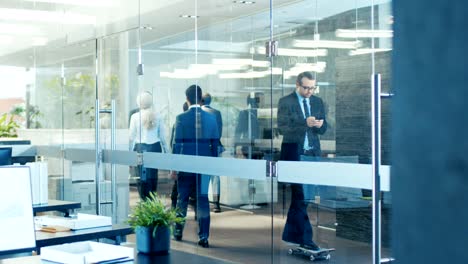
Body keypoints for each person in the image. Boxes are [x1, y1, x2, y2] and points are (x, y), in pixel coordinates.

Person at [277, 71, 327, 252]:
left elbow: (324, 128)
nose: (309, 91)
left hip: (312, 155)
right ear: (297, 85)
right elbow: (283, 129)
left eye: (312, 88)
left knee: (303, 198)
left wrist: (321, 125)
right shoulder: (286, 101)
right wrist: (304, 122)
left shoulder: (317, 102)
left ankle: (291, 234)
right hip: (294, 156)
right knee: (301, 195)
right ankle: (307, 239)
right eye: (306, 88)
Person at [171, 85, 220, 248]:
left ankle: (178, 232)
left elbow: (177, 145)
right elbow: (215, 146)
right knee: (203, 199)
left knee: (182, 199)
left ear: (187, 99)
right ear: (201, 99)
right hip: (205, 165)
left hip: (186, 164)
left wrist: (174, 168)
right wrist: (212, 166)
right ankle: (204, 236)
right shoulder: (212, 118)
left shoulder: (180, 118)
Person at [129, 91, 169, 200]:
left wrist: (128, 155)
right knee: (152, 177)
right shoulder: (158, 116)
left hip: (140, 148)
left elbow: (131, 138)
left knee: (141, 178)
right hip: (155, 148)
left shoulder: (135, 117)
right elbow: (162, 137)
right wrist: (167, 153)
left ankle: (144, 201)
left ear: (138, 103)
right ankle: (152, 201)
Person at [201, 93, 223, 213]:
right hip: (214, 147)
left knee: (203, 175)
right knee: (215, 176)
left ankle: (204, 202)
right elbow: (219, 132)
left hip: (202, 148)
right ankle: (216, 204)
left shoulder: (198, 113)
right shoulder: (217, 113)